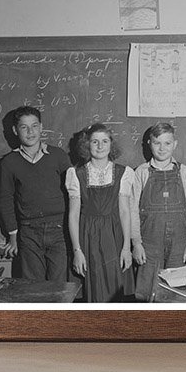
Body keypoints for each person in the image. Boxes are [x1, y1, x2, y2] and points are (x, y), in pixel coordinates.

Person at [0, 106, 70, 281]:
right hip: (29, 232)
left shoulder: (57, 155)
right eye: (24, 127)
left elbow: (73, 194)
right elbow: (5, 200)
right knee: (32, 287)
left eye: (34, 126)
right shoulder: (8, 163)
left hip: (59, 230)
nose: (30, 132)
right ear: (15, 130)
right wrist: (13, 236)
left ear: (41, 127)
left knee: (58, 287)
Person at [129, 122, 186, 302]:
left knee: (179, 294)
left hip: (179, 245)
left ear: (175, 144)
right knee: (147, 294)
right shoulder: (142, 172)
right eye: (157, 143)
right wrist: (136, 243)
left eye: (167, 143)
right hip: (149, 244)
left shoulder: (184, 172)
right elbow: (132, 212)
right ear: (149, 144)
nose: (162, 148)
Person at [65, 124, 136, 302]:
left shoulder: (123, 173)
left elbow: (125, 211)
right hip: (88, 237)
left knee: (116, 290)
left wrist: (127, 248)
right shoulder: (76, 174)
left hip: (114, 237)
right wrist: (77, 251)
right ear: (86, 145)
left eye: (105, 141)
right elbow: (73, 216)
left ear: (111, 144)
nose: (100, 146)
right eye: (94, 141)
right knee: (94, 291)